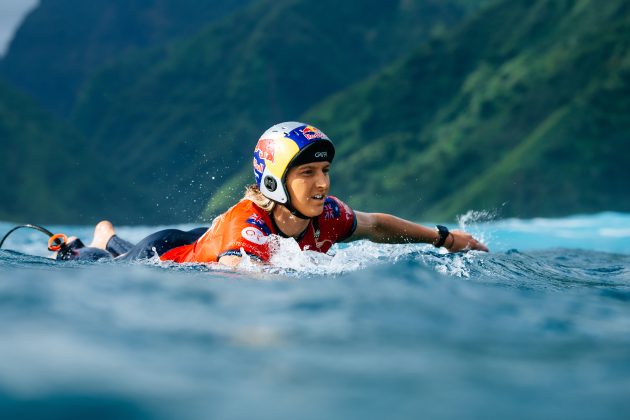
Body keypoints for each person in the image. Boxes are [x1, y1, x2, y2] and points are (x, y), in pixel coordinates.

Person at [55, 122, 487, 265]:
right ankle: (94, 241)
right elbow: (248, 281)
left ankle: (108, 236)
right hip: (165, 253)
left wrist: (446, 238)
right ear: (274, 180)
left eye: (325, 171)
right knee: (93, 265)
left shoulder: (327, 215)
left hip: (200, 236)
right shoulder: (250, 229)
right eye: (307, 173)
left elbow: (375, 225)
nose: (322, 183)